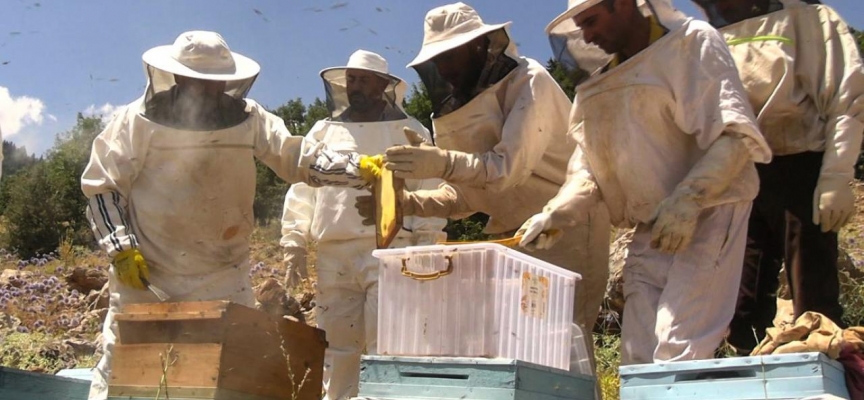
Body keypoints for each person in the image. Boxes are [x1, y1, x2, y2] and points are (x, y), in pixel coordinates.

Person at [81, 31, 379, 400]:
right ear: (179, 77)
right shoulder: (134, 121)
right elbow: (102, 186)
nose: (208, 93)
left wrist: (359, 167)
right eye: (200, 84)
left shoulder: (249, 118)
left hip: (223, 273)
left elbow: (296, 157)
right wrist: (120, 249)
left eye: (215, 84)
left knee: (230, 375)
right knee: (123, 371)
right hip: (149, 273)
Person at [362, 2, 612, 377]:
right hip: (517, 237)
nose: (444, 69)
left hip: (568, 224)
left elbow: (507, 170)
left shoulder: (529, 82)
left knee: (564, 344)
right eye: (438, 60)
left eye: (451, 56)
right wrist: (407, 203)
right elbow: (467, 197)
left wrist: (443, 163)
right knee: (520, 346)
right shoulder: (451, 107)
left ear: (480, 45)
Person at [518, 0, 773, 365]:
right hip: (648, 224)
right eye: (580, 27)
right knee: (637, 358)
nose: (586, 36)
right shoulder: (600, 82)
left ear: (622, 5)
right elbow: (588, 166)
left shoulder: (691, 42)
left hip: (710, 214)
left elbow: (735, 135)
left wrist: (689, 199)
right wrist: (556, 212)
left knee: (678, 347)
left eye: (591, 21)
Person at [692, 0, 864, 354]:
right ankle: (747, 370)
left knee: (813, 292)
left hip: (802, 165)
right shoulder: (711, 36)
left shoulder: (810, 19)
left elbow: (846, 98)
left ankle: (822, 373)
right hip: (737, 173)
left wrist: (835, 174)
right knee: (741, 295)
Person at [280, 50, 446, 400]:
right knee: (337, 345)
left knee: (389, 343)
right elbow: (302, 186)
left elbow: (427, 186)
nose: (354, 86)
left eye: (363, 79)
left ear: (383, 85)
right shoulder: (323, 131)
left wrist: (426, 244)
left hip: (390, 251)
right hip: (332, 253)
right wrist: (293, 240)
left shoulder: (409, 130)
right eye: (351, 79)